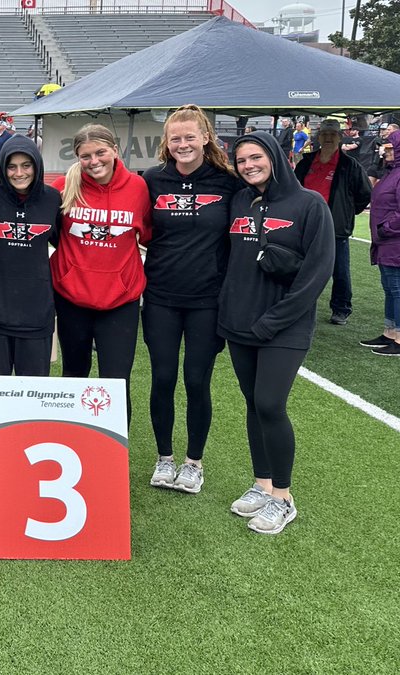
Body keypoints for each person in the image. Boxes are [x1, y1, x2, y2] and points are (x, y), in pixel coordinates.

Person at [220, 131, 334, 535]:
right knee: (252, 403)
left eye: (256, 157)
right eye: (242, 160)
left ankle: (283, 498)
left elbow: (317, 273)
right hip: (240, 324)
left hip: (284, 326)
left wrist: (274, 319)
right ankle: (262, 483)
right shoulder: (239, 200)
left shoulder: (310, 204)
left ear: (275, 157)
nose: (249, 165)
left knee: (270, 403)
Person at [140, 105, 242, 493]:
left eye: (189, 136)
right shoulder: (152, 179)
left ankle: (193, 462)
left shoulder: (227, 182)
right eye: (175, 137)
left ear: (206, 138)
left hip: (207, 299)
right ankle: (164, 458)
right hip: (162, 296)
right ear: (166, 142)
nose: (182, 144)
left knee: (197, 381)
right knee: (163, 378)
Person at [51, 124, 151, 421]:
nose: (94, 161)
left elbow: (147, 234)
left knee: (116, 383)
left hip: (120, 301)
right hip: (71, 298)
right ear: (77, 157)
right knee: (73, 375)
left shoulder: (138, 188)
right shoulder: (63, 187)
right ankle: (73, 446)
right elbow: (51, 233)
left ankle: (112, 461)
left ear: (115, 150)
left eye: (100, 153)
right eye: (85, 156)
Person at [0, 135, 60, 377]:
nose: (18, 173)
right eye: (11, 166)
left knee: (33, 397)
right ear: (3, 167)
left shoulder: (52, 199)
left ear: (37, 166)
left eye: (26, 165)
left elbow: (66, 246)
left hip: (37, 314)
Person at [295, 119, 372, 326]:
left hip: (335, 227)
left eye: (333, 135)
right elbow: (293, 189)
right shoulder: (307, 162)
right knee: (300, 268)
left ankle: (341, 308)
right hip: (305, 226)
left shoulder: (350, 165)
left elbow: (365, 194)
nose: (328, 138)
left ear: (339, 138)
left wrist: (346, 213)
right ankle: (298, 304)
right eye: (325, 134)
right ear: (319, 138)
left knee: (339, 271)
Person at [363, 129, 400, 356]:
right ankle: (389, 331)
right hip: (385, 242)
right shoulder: (390, 172)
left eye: (388, 148)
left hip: (394, 241)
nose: (384, 151)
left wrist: (385, 228)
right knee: (389, 288)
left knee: (397, 289)